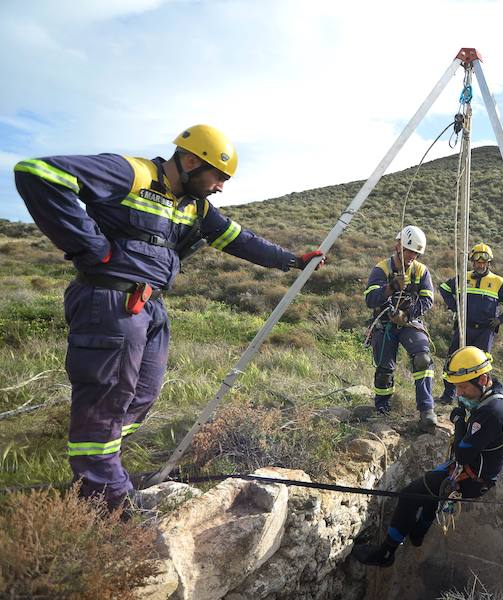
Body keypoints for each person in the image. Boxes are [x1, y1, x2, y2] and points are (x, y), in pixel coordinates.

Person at [14, 124, 325, 513]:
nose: (221, 187)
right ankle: (106, 503)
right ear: (192, 161)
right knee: (108, 399)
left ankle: (100, 472)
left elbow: (239, 239)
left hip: (151, 307)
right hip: (112, 301)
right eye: (218, 176)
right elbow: (37, 173)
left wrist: (293, 261)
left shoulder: (195, 206)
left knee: (142, 395)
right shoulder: (132, 173)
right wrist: (91, 247)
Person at [351, 346, 503, 566]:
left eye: (463, 387)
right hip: (478, 471)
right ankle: (418, 534)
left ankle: (386, 554)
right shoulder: (499, 391)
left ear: (483, 378)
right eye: (456, 387)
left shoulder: (492, 412)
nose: (458, 393)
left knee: (410, 495)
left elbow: (463, 453)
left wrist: (459, 420)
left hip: (470, 478)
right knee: (431, 491)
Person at [364, 225, 438, 431]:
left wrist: (407, 315)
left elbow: (427, 300)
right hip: (385, 324)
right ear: (398, 246)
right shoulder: (382, 269)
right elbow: (370, 299)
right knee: (384, 369)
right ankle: (382, 409)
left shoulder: (421, 271)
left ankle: (426, 410)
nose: (412, 256)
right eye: (409, 250)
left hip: (410, 322)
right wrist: (390, 288)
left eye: (416, 252)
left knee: (423, 359)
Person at [437, 243, 503, 404]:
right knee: (453, 361)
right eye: (477, 261)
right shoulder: (463, 277)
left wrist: (501, 319)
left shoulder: (498, 281)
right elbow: (444, 288)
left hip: (485, 331)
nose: (480, 264)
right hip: (464, 328)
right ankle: (448, 396)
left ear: (488, 263)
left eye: (483, 262)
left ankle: (479, 399)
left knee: (480, 366)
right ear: (472, 262)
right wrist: (454, 307)